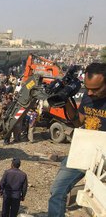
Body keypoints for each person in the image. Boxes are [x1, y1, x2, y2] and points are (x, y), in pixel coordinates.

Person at [48, 62, 106, 217]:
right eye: (87, 88)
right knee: (57, 191)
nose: (90, 93)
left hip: (104, 156)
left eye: (95, 89)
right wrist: (65, 100)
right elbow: (78, 121)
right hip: (84, 149)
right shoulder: (88, 95)